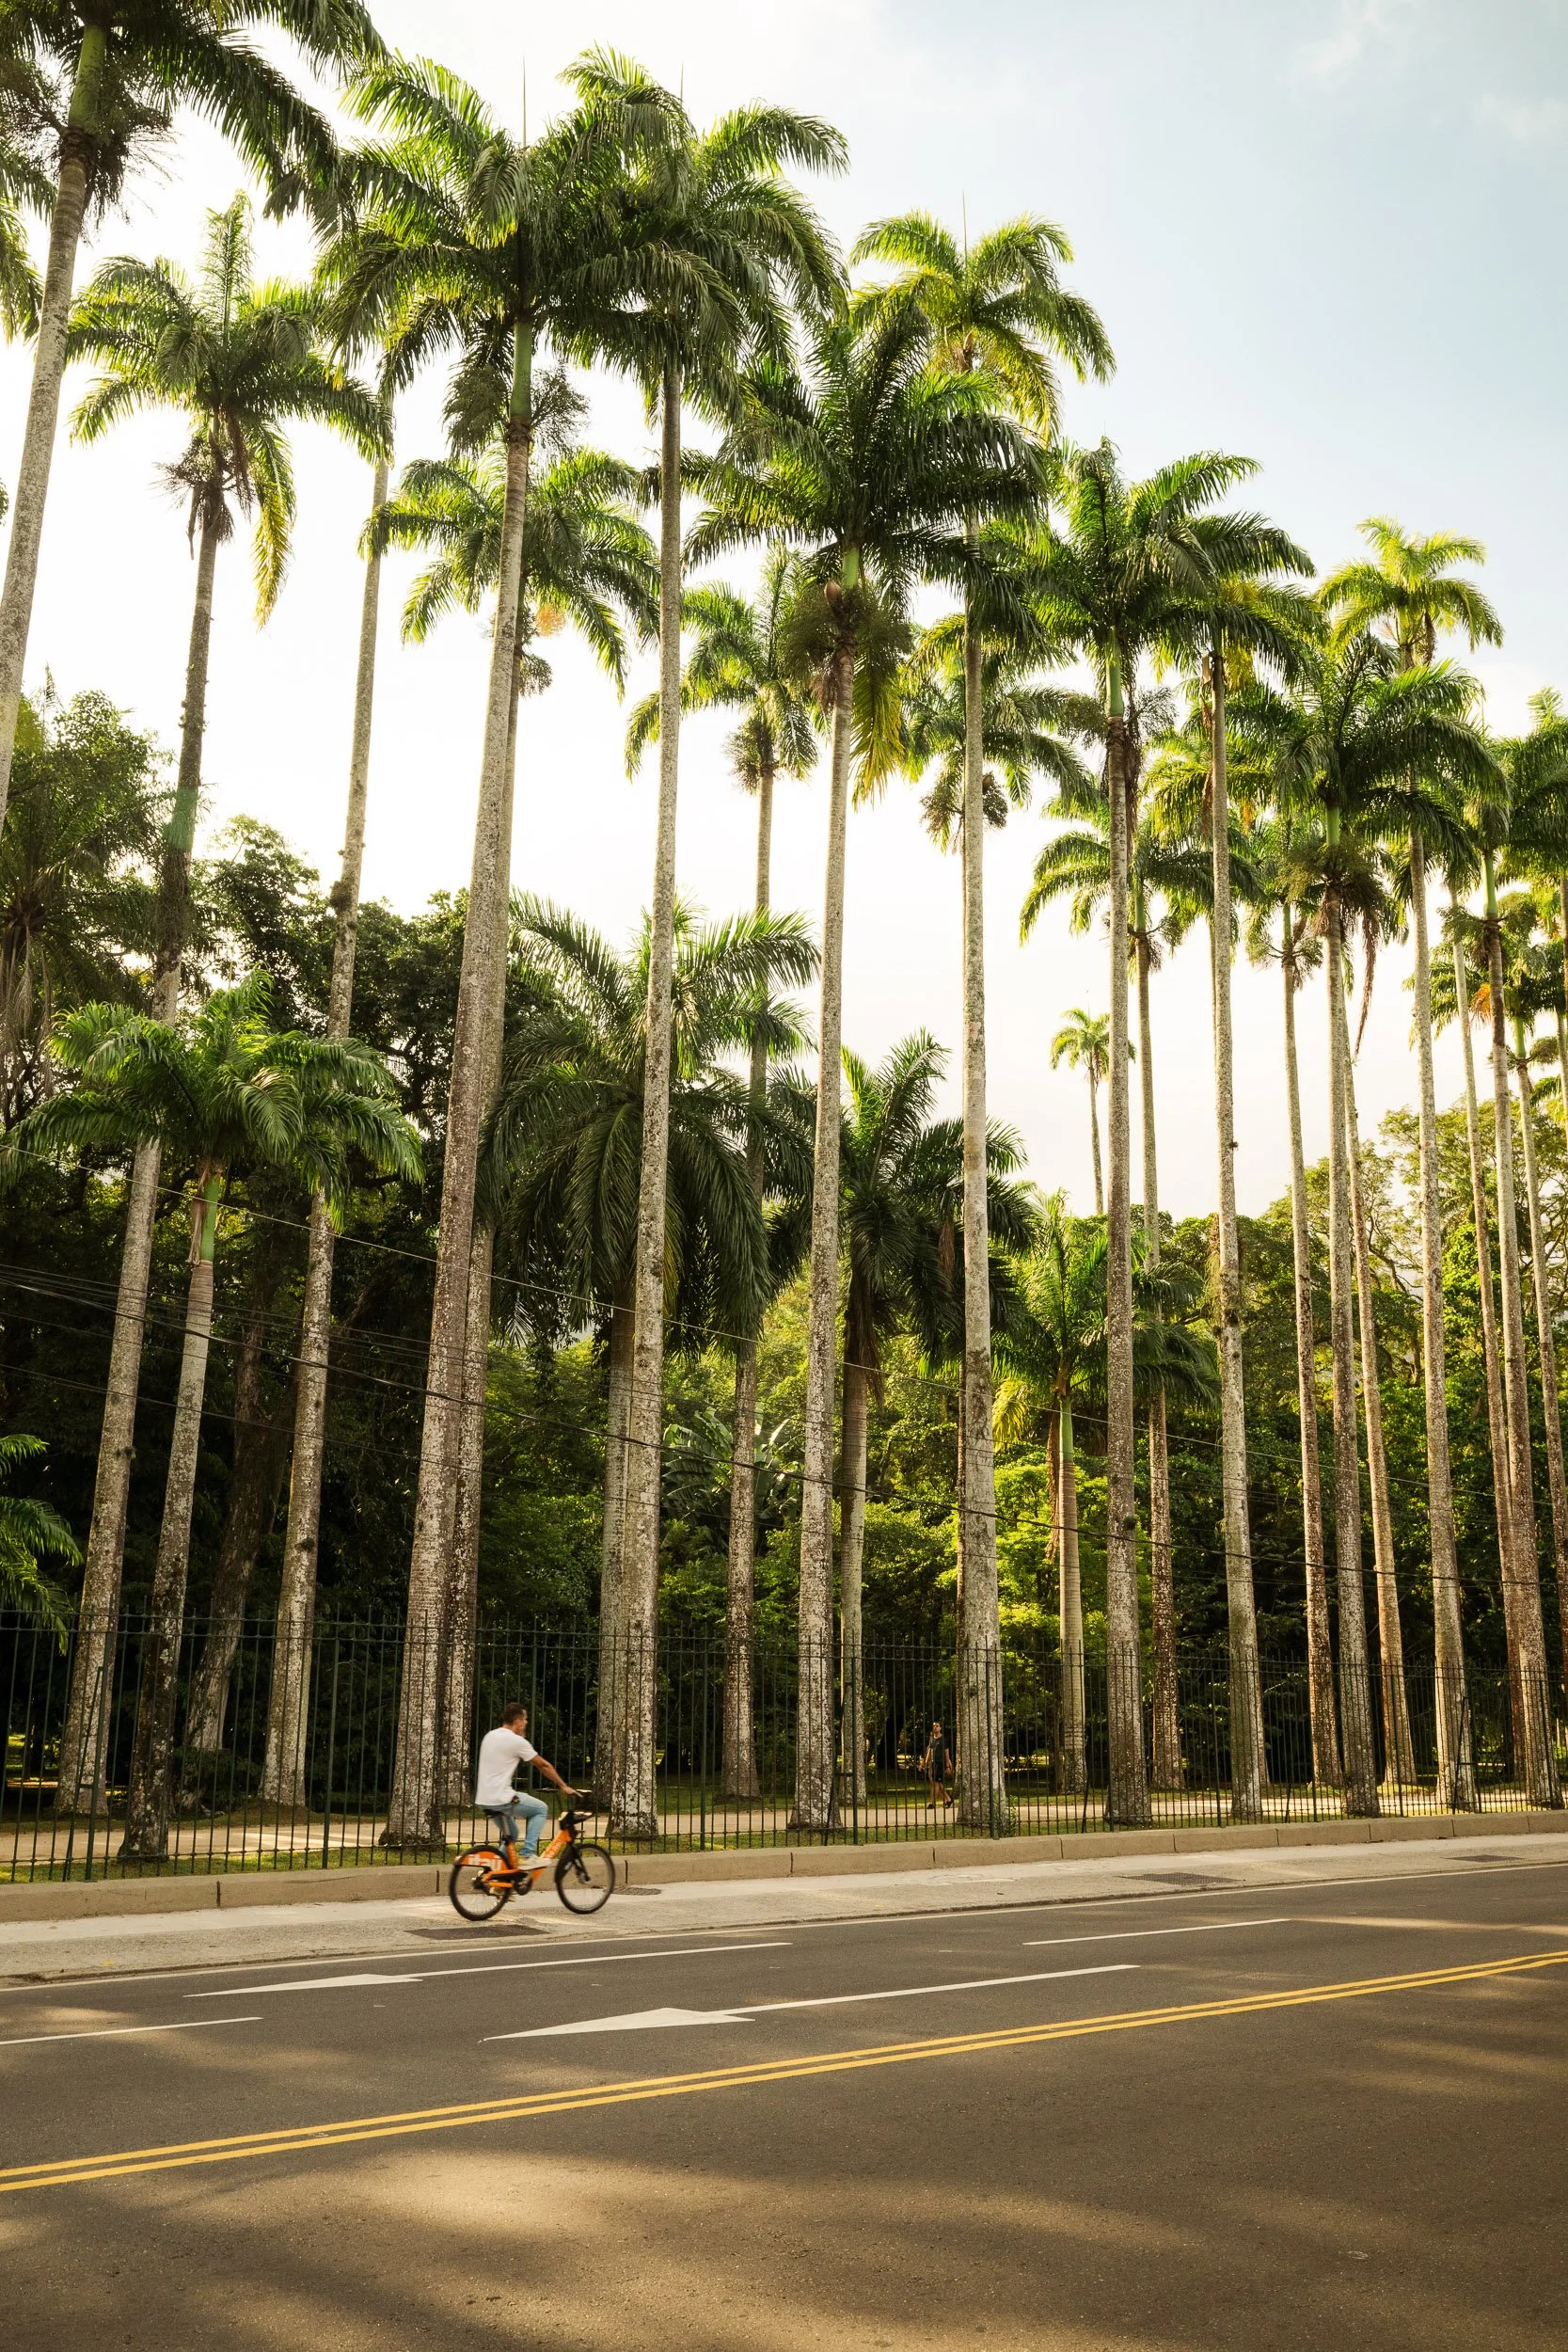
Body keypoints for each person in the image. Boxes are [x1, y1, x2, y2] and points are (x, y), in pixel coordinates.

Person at [474, 1701, 576, 1880]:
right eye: (525, 1719)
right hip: (502, 1798)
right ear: (517, 1721)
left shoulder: (490, 1735)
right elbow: (543, 1765)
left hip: (484, 1798)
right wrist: (563, 1786)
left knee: (512, 1835)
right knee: (540, 1809)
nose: (526, 1723)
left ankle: (494, 1875)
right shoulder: (516, 1741)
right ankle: (528, 1854)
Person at [920, 1719, 952, 1809]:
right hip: (933, 1763)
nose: (935, 1727)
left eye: (937, 1726)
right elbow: (929, 1752)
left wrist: (947, 1766)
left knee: (935, 1783)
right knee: (939, 1784)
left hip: (940, 1764)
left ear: (940, 1728)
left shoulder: (943, 1739)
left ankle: (932, 1803)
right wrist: (925, 1763)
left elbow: (947, 1753)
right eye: (934, 1726)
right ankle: (949, 1800)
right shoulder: (932, 1739)